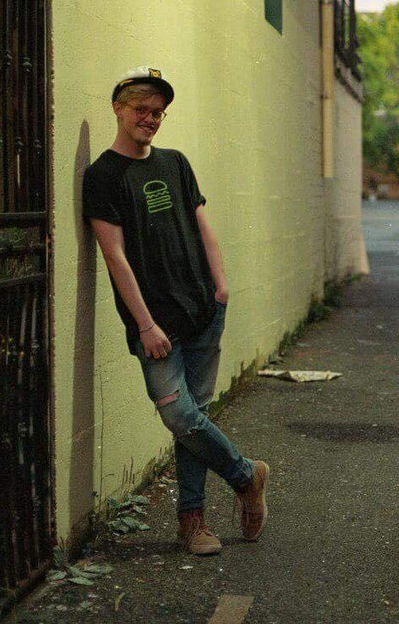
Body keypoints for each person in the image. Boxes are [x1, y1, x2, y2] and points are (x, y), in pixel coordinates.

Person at [83, 66, 269, 555]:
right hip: (156, 325)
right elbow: (114, 256)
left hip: (203, 307)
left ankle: (192, 522)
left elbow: (203, 226)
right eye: (140, 109)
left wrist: (221, 287)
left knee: (196, 416)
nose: (149, 118)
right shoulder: (102, 176)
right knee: (181, 417)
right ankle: (245, 476)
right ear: (118, 108)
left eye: (158, 112)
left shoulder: (176, 163)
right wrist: (145, 324)